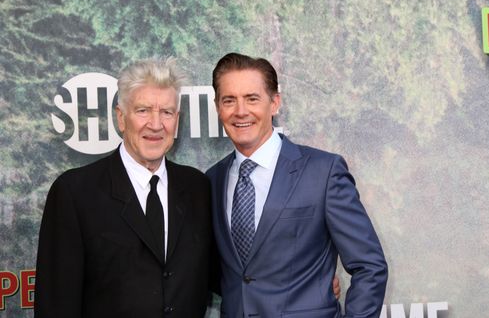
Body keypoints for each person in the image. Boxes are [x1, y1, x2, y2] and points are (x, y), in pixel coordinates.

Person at [206, 53, 388, 317]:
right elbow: (225, 274)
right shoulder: (212, 180)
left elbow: (370, 265)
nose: (241, 111)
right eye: (229, 100)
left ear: (275, 103)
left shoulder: (323, 172)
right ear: (218, 107)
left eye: (252, 98)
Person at [35, 57, 213, 318]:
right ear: (121, 117)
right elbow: (56, 305)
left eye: (166, 112)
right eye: (143, 110)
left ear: (177, 119)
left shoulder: (198, 187)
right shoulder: (75, 193)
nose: (155, 124)